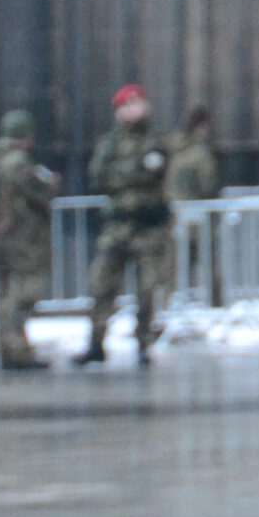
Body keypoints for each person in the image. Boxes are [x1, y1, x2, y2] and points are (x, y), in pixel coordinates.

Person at [75, 84, 174, 366]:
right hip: (118, 225)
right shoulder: (110, 143)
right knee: (102, 284)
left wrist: (128, 174)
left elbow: (157, 172)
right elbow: (99, 176)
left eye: (137, 104)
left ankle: (143, 342)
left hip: (148, 225)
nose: (132, 110)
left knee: (147, 289)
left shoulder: (157, 140)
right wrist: (135, 171)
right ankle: (96, 342)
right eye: (126, 106)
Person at [0, 110, 55, 370]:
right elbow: (40, 193)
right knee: (23, 294)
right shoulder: (19, 163)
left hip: (5, 236)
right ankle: (15, 348)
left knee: (7, 292)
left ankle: (10, 346)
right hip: (24, 237)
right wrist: (52, 184)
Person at [167, 106, 222, 307]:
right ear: (202, 127)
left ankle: (170, 300)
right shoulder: (200, 153)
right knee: (207, 259)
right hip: (198, 213)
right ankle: (216, 302)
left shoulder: (172, 149)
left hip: (173, 212)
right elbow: (209, 184)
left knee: (174, 262)